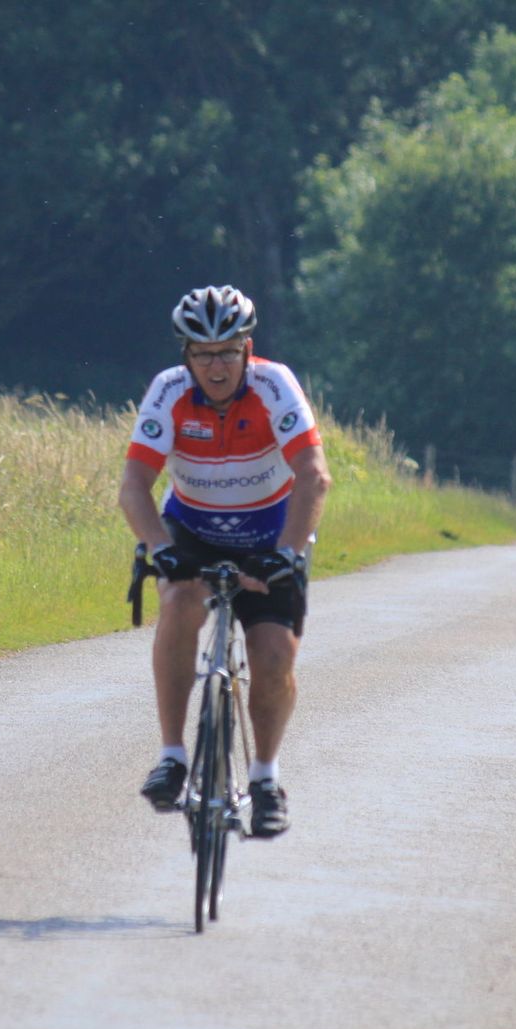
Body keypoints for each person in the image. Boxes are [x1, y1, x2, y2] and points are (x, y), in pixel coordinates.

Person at [118, 285, 332, 838]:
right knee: (179, 600)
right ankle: (172, 756)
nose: (217, 366)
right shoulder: (168, 392)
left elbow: (313, 476)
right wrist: (158, 547)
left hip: (270, 534)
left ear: (247, 349)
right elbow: (134, 485)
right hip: (193, 529)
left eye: (229, 352)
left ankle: (265, 779)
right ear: (186, 356)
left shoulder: (274, 386)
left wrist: (287, 554)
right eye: (204, 354)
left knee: (274, 654)